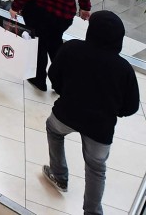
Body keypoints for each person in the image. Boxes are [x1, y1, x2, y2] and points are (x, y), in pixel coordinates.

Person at [41, 11, 140, 215]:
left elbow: (54, 75)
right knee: (96, 168)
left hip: (67, 112)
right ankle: (92, 212)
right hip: (100, 128)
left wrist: (65, 91)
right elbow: (130, 107)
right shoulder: (124, 69)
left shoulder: (72, 48)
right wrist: (112, 110)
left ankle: (59, 174)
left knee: (53, 129)